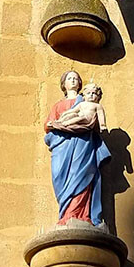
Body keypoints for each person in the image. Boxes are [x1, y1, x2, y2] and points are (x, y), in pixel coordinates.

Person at [44, 71, 111, 226]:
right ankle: (65, 212)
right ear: (64, 84)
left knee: (81, 175)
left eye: (76, 78)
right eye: (69, 78)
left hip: (83, 142)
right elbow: (48, 125)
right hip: (61, 144)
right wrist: (59, 125)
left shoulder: (87, 101)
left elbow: (95, 121)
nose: (73, 80)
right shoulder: (58, 105)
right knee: (59, 175)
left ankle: (79, 215)